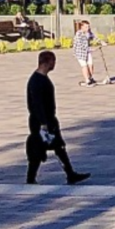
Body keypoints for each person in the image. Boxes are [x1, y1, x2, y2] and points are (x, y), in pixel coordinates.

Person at [26, 52, 90, 185]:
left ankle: (70, 174)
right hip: (42, 122)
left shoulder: (41, 79)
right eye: (53, 61)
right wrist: (43, 123)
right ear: (46, 62)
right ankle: (31, 178)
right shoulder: (37, 81)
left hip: (48, 120)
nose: (54, 64)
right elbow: (36, 104)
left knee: (58, 147)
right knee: (39, 149)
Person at [72, 20, 101, 86]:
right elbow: (82, 46)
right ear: (81, 27)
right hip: (80, 52)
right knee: (84, 66)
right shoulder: (79, 34)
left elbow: (94, 37)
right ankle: (87, 80)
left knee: (91, 65)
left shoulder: (88, 32)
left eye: (88, 27)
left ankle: (90, 78)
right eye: (86, 27)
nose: (87, 28)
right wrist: (92, 49)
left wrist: (101, 42)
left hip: (87, 52)